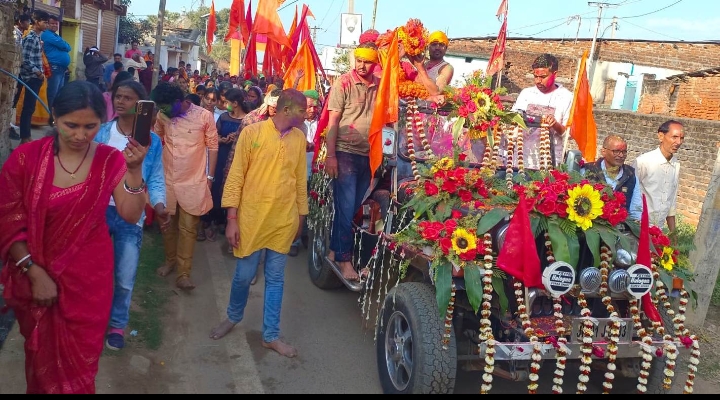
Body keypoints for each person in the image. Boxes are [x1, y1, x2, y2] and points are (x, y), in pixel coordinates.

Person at [0, 80, 148, 394]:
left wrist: (135, 170)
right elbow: (8, 221)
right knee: (41, 363)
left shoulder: (110, 159)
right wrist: (33, 271)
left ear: (101, 122)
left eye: (90, 126)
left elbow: (131, 215)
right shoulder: (26, 159)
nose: (80, 135)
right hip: (35, 276)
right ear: (54, 115)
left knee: (80, 367)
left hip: (89, 284)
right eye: (71, 125)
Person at [209, 89, 309, 360]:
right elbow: (235, 177)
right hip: (251, 219)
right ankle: (232, 316)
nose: (307, 114)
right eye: (303, 110)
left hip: (283, 220)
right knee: (243, 275)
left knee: (276, 279)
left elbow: (301, 180)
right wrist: (231, 219)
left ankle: (271, 336)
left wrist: (300, 218)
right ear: (286, 110)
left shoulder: (300, 138)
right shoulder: (252, 133)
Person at [93, 80, 168, 351]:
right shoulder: (100, 134)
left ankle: (117, 325)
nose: (120, 101)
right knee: (96, 275)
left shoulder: (151, 142)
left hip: (131, 216)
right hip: (99, 213)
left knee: (125, 277)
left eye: (128, 98)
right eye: (118, 96)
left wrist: (159, 204)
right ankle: (94, 320)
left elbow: (156, 176)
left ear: (140, 106)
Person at [151, 81, 219, 290]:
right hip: (168, 178)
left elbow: (213, 147)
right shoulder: (162, 116)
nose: (163, 111)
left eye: (166, 107)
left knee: (188, 228)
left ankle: (183, 273)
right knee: (167, 225)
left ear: (180, 102)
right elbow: (156, 140)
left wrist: (209, 178)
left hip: (194, 180)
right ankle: (170, 261)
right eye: (160, 108)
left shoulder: (204, 116)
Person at [324, 42, 380, 282]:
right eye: (359, 59)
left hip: (368, 155)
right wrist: (331, 155)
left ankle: (334, 251)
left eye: (367, 61)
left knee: (351, 208)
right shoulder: (344, 82)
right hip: (345, 153)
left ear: (375, 62)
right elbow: (333, 121)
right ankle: (345, 261)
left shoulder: (379, 85)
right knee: (346, 209)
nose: (362, 65)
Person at [199, 88, 249, 242]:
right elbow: (215, 136)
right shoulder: (224, 117)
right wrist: (222, 139)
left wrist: (238, 138)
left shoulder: (248, 120)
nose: (223, 104)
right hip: (221, 155)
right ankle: (212, 220)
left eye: (226, 102)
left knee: (231, 187)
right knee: (216, 186)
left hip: (236, 158)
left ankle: (226, 220)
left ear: (235, 103)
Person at [634, 120, 685, 231]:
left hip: (658, 229)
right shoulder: (644, 161)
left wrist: (673, 232)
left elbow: (671, 200)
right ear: (661, 136)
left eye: (681, 138)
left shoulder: (676, 164)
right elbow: (632, 193)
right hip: (638, 226)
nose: (678, 142)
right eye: (674, 137)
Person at [288, 89, 320, 256]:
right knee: (295, 206)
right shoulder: (294, 124)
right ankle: (293, 240)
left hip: (316, 172)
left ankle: (307, 235)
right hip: (296, 172)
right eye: (308, 106)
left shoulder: (322, 123)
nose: (312, 110)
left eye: (315, 106)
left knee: (311, 205)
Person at [584, 135, 643, 220]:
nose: (621, 155)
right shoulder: (588, 170)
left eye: (624, 152)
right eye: (616, 151)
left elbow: (635, 211)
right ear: (603, 151)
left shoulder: (631, 176)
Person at [18, 10, 49, 144]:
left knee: (30, 108)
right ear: (37, 22)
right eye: (45, 22)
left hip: (36, 78)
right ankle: (25, 137)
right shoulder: (30, 38)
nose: (46, 25)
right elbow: (24, 59)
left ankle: (25, 137)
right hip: (31, 77)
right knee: (28, 108)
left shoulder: (37, 38)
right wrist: (37, 72)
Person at [41, 14, 72, 126]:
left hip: (61, 69)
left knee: (59, 94)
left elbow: (68, 46)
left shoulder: (55, 35)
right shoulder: (47, 35)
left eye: (56, 23)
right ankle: (51, 118)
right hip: (54, 68)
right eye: (52, 23)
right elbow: (65, 46)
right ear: (48, 24)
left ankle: (55, 117)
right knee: (52, 94)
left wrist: (64, 45)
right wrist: (64, 45)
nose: (55, 25)